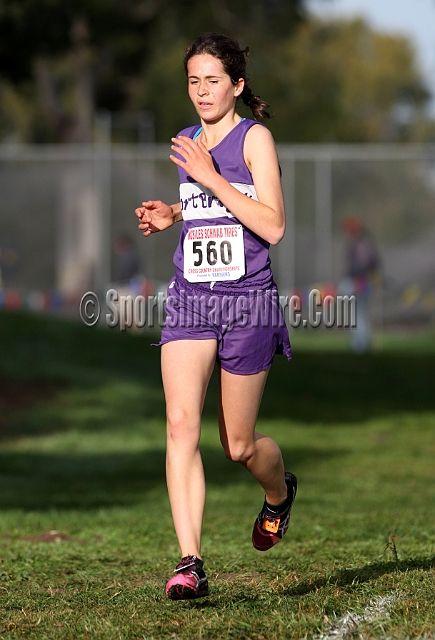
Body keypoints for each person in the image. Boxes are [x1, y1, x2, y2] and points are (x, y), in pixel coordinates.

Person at [135, 33, 297, 601]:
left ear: (237, 85)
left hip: (248, 301)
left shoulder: (256, 139)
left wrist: (207, 177)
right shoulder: (185, 141)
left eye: (212, 81)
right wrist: (174, 212)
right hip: (191, 298)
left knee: (238, 445)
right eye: (193, 81)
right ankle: (190, 561)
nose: (202, 91)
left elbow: (271, 225)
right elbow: (211, 209)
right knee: (180, 424)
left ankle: (279, 494)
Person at [342, 216, 381, 353]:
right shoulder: (361, 243)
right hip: (359, 281)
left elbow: (365, 263)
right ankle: (359, 344)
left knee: (358, 314)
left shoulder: (361, 244)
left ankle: (360, 345)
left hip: (360, 282)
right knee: (358, 314)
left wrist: (359, 278)